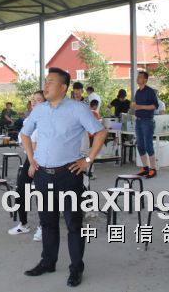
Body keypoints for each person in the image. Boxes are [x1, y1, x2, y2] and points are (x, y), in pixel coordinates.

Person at [21, 68, 106, 287]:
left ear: (63, 87)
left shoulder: (78, 109)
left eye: (50, 82)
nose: (46, 85)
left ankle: (76, 267)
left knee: (73, 224)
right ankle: (48, 262)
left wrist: (87, 160)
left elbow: (100, 132)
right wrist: (31, 159)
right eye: (45, 81)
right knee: (47, 222)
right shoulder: (39, 110)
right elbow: (24, 133)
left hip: (68, 174)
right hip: (43, 175)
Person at [8, 90, 45, 240]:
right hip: (30, 159)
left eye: (38, 100)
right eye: (33, 99)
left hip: (42, 160)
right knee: (21, 190)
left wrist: (33, 159)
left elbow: (38, 144)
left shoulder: (46, 120)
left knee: (41, 193)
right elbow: (23, 140)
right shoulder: (29, 119)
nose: (34, 102)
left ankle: (43, 227)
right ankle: (23, 224)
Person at [132, 71, 158, 179]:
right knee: (140, 145)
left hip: (147, 121)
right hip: (138, 120)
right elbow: (136, 105)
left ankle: (153, 169)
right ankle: (145, 167)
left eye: (140, 77)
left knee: (148, 145)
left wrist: (141, 107)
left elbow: (155, 106)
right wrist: (134, 106)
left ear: (145, 80)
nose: (138, 78)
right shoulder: (138, 92)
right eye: (137, 77)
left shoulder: (150, 91)